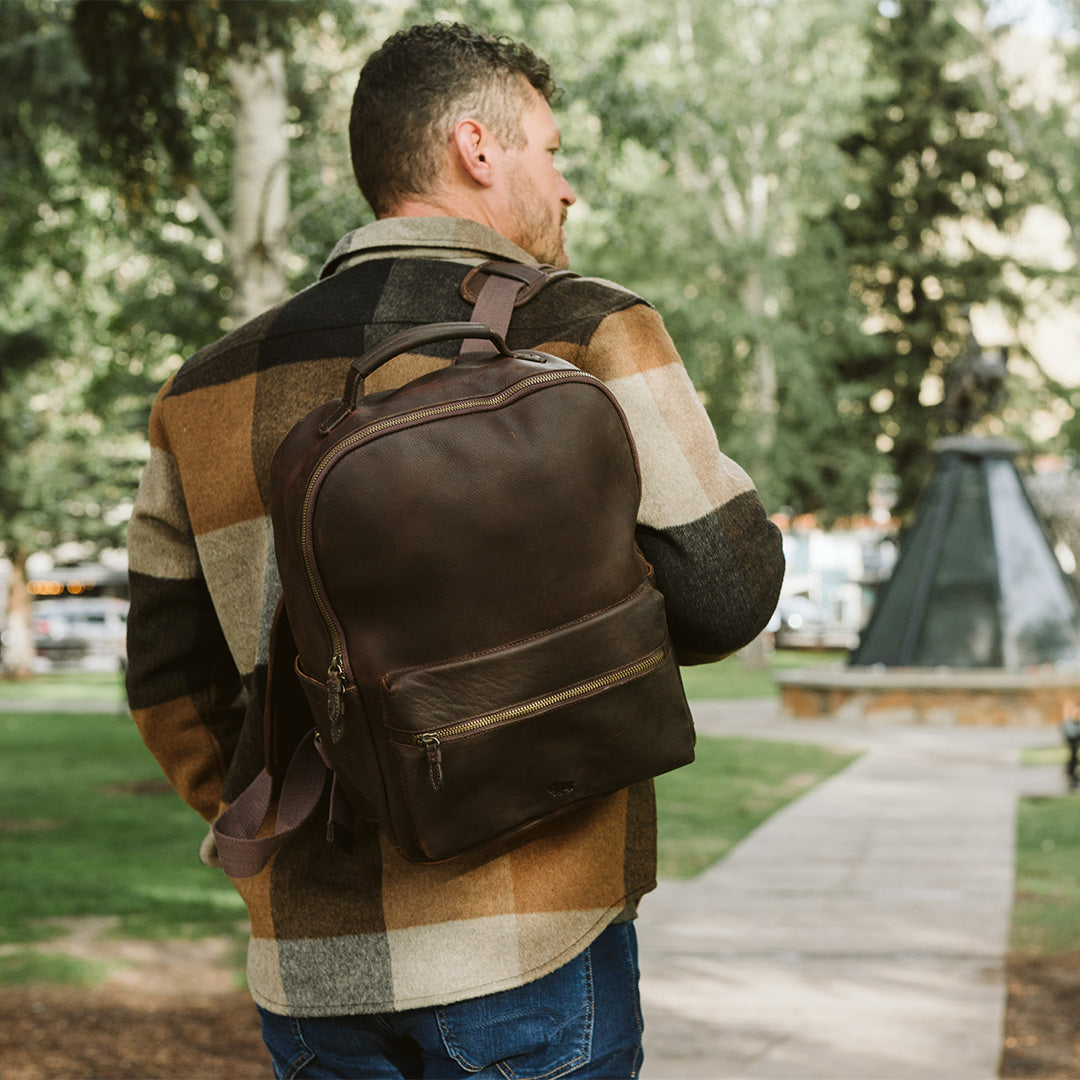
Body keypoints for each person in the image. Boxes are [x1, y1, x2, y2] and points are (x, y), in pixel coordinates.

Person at [125, 21, 785, 1079]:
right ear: (478, 148)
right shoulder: (587, 328)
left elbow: (167, 677)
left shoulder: (201, 392)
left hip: (310, 972)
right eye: (552, 150)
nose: (566, 189)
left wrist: (283, 826)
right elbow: (728, 594)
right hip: (533, 938)